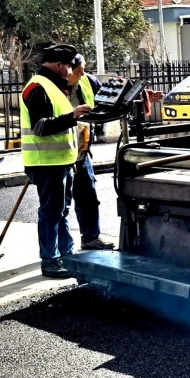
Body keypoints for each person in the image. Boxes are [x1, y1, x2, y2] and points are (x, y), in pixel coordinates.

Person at [20, 44, 93, 279]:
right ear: (58, 65)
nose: (71, 71)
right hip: (45, 163)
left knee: (61, 211)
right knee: (51, 213)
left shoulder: (53, 87)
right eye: (69, 66)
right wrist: (71, 117)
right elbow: (40, 127)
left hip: (60, 162)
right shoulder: (38, 87)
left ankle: (66, 254)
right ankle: (50, 260)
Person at [67, 53, 114, 251]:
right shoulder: (49, 88)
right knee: (58, 206)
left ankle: (90, 237)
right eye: (79, 70)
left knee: (88, 195)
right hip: (59, 154)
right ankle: (59, 249)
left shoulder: (87, 81)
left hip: (81, 150)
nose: (83, 73)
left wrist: (139, 95)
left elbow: (109, 97)